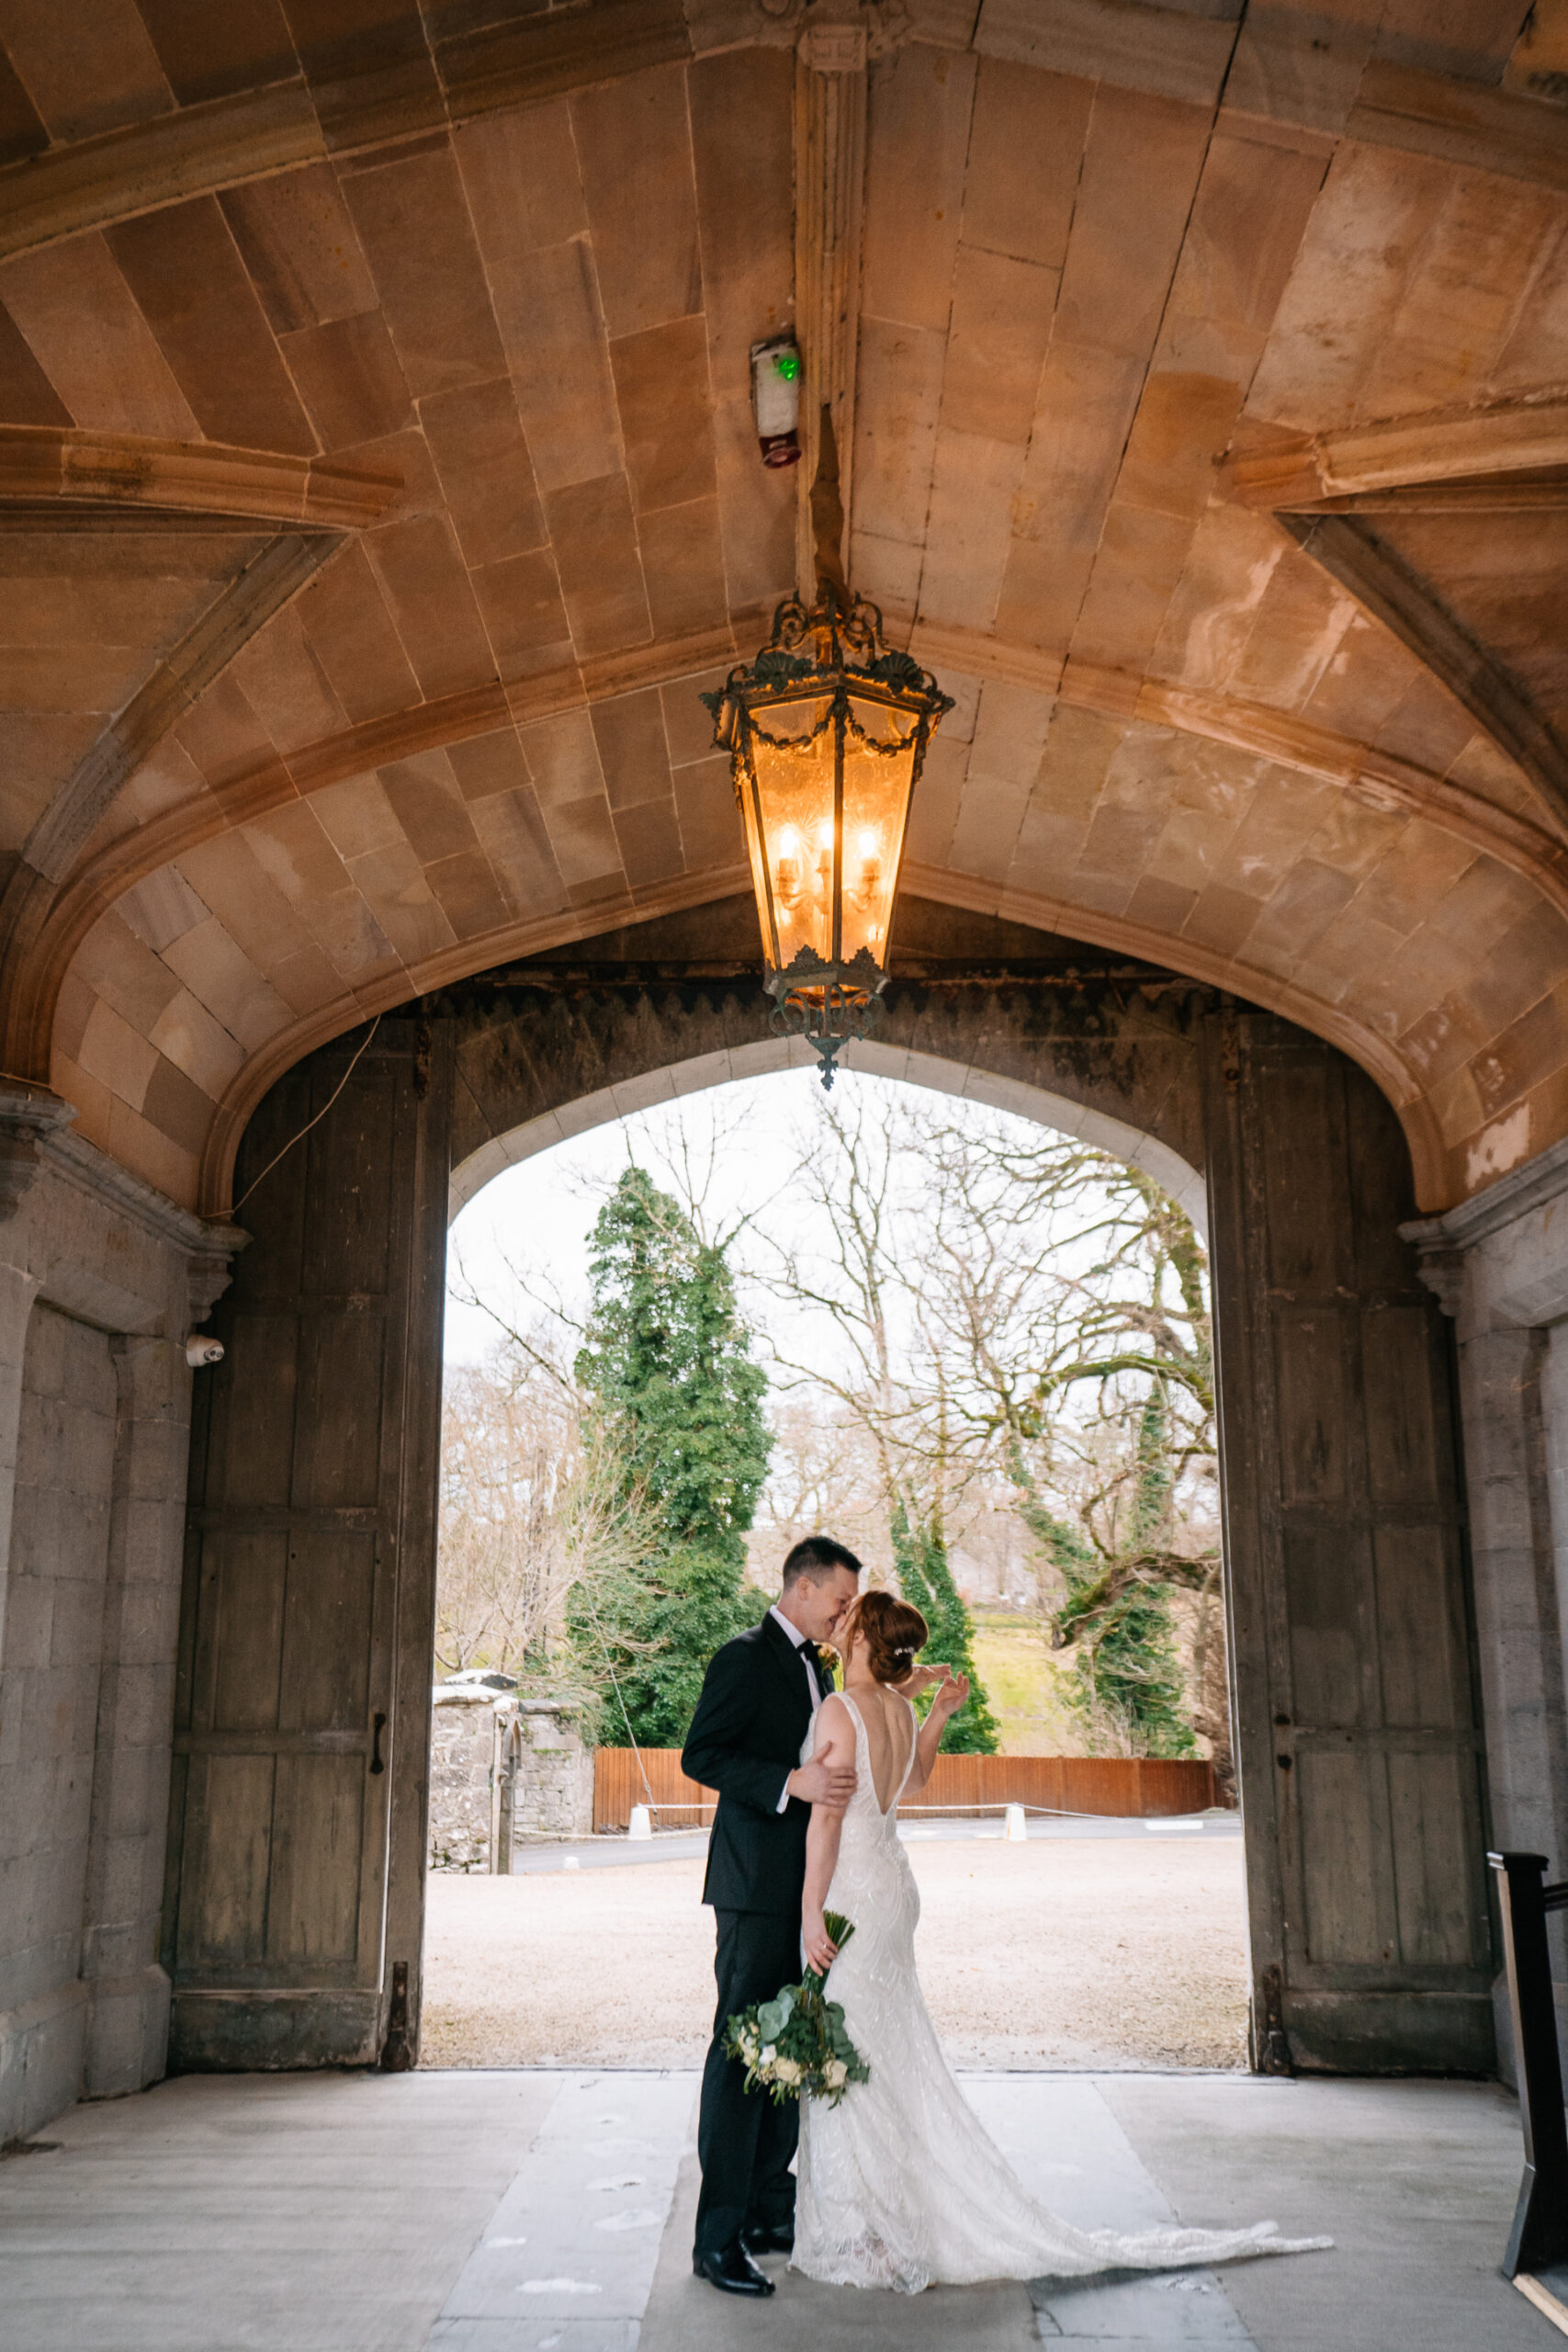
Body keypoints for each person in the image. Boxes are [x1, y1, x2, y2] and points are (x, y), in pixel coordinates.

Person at [792, 1588, 1333, 2295]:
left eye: (848, 1618)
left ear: (861, 1636)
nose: (838, 1624)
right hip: (896, 1890)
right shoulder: (895, 1709)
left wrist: (808, 1918)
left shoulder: (839, 1709)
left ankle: (861, 2232)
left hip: (854, 1895)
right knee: (884, 2048)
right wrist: (937, 1715)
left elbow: (826, 1823)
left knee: (850, 2050)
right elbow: (915, 1779)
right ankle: (889, 2220)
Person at [681, 1534, 863, 2298]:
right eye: (841, 1599)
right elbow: (702, 1755)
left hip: (804, 1894)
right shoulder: (743, 1656)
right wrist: (786, 1781)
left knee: (787, 2048)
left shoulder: (819, 1669)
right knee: (739, 2055)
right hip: (754, 1889)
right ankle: (716, 2238)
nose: (846, 1612)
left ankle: (765, 2209)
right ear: (803, 1588)